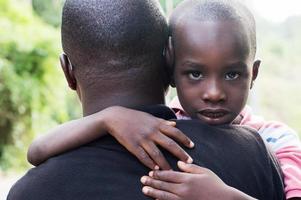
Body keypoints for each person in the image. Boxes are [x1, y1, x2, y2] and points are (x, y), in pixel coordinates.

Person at [8, 0, 284, 199]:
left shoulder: (32, 192)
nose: (214, 93)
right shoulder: (255, 153)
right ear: (169, 60)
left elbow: (35, 153)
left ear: (68, 72)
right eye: (198, 73)